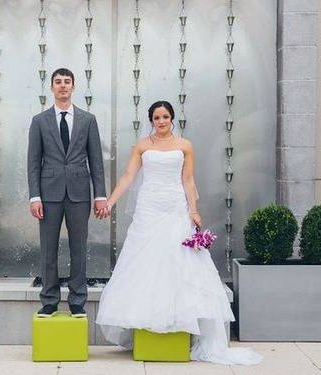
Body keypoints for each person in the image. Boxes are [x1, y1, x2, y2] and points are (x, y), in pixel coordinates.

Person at [95, 101, 262, 365]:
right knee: (146, 262)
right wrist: (110, 202)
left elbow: (188, 180)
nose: (161, 121)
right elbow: (128, 176)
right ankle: (147, 322)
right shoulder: (142, 146)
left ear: (172, 119)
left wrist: (193, 211)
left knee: (178, 261)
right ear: (151, 120)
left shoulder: (185, 145)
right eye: (157, 117)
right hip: (149, 208)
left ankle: (178, 322)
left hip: (175, 208)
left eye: (165, 117)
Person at [27, 68, 107, 318]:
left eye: (67, 82)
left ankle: (77, 301)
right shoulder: (39, 121)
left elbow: (96, 161)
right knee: (48, 248)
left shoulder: (88, 119)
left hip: (79, 194)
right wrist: (34, 196)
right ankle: (49, 300)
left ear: (73, 87)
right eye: (58, 82)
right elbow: (33, 161)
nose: (62, 86)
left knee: (78, 248)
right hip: (48, 195)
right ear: (51, 87)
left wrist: (100, 195)